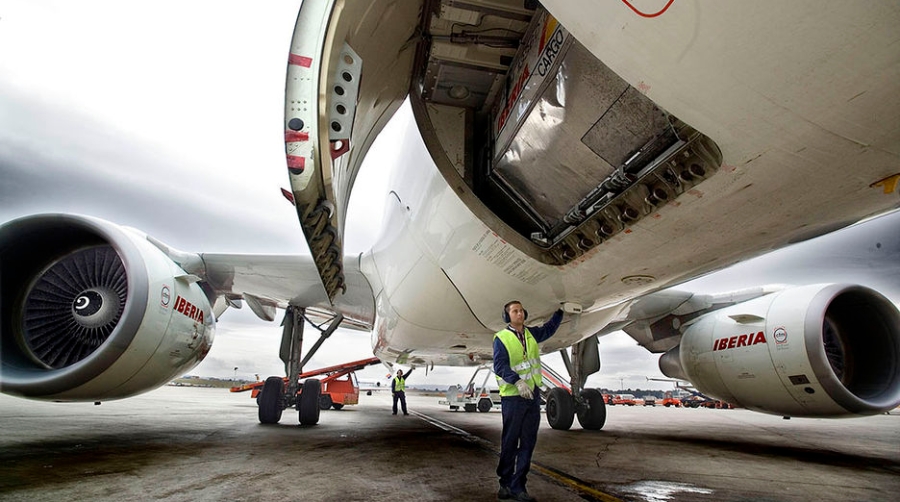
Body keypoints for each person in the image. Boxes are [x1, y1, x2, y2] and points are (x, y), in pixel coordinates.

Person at [493, 300, 563, 502]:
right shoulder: (501, 338)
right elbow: (499, 365)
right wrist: (516, 381)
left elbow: (548, 329)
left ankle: (519, 487)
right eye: (515, 311)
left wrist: (560, 312)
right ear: (507, 316)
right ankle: (505, 483)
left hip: (532, 397)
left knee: (528, 443)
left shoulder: (531, 334)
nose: (519, 314)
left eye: (521, 310)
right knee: (509, 442)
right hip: (513, 397)